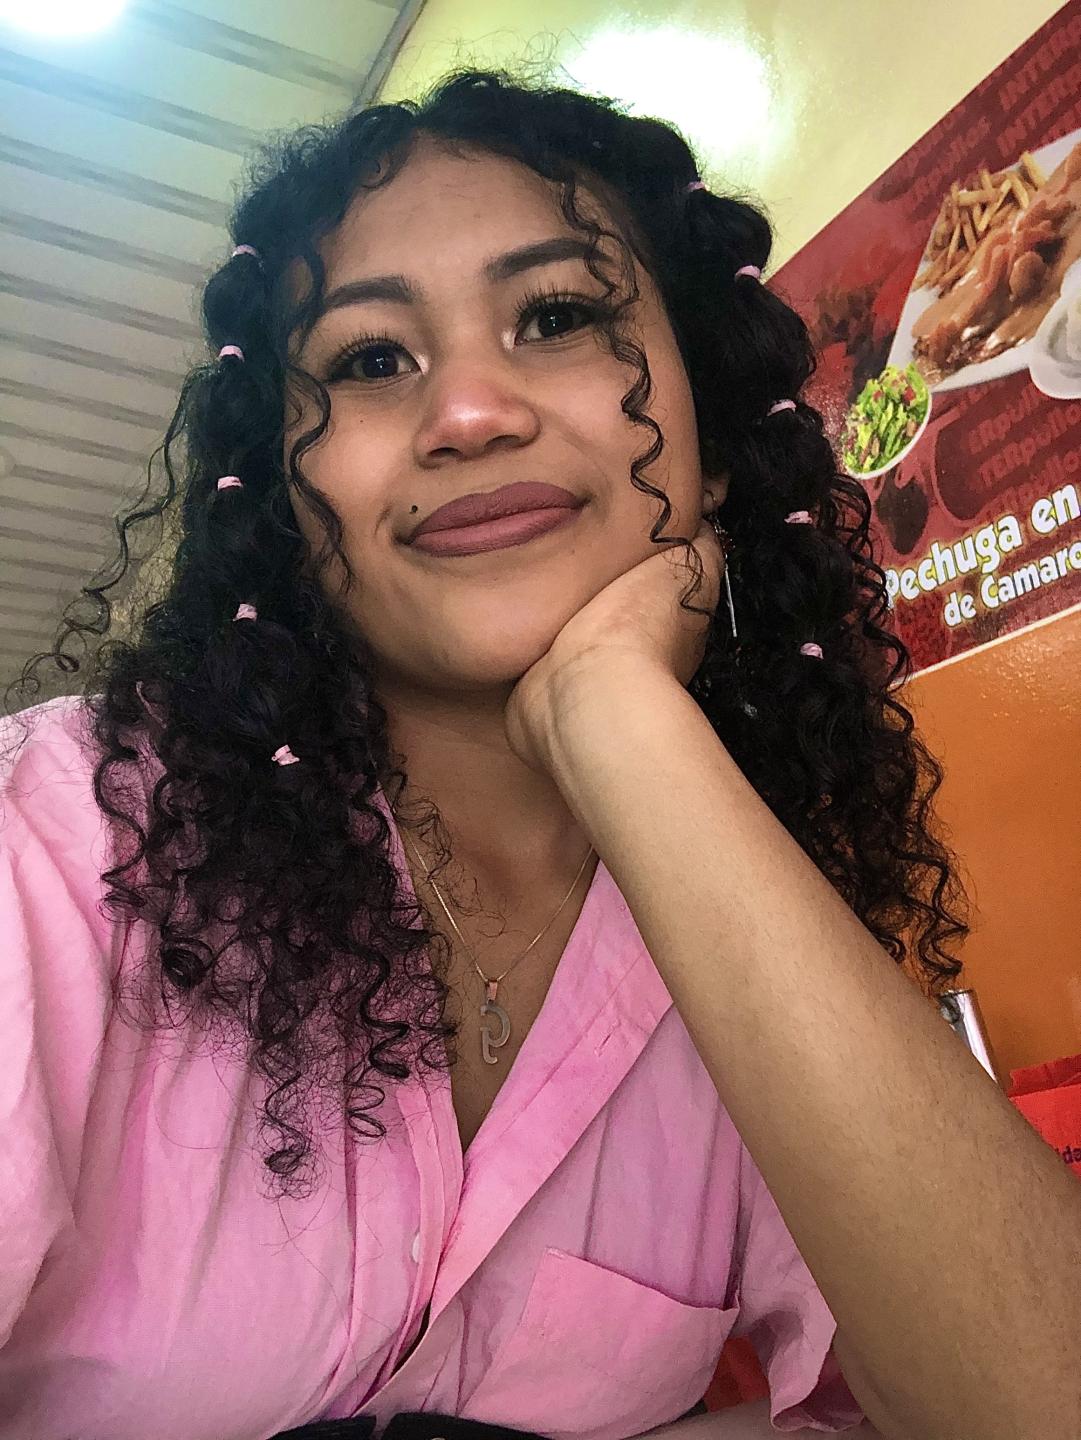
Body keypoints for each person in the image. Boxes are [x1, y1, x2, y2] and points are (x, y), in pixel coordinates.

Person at [0, 65, 970, 1440]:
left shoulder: (755, 897)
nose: (468, 412)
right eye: (369, 360)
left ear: (706, 444)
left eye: (558, 317)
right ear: (286, 501)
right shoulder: (53, 836)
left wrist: (620, 719)